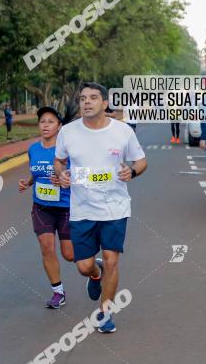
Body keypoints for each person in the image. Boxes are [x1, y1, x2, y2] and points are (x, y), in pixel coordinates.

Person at [54, 82, 147, 333]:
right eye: (83, 98)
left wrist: (133, 171)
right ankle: (96, 274)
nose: (86, 102)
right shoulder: (68, 132)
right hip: (82, 208)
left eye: (93, 98)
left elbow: (141, 160)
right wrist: (61, 174)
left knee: (112, 259)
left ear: (104, 104)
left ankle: (106, 311)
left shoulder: (123, 131)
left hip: (115, 207)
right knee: (83, 265)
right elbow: (59, 161)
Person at [18, 106, 74, 308]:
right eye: (42, 121)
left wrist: (65, 179)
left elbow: (79, 174)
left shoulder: (67, 150)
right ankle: (58, 292)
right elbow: (35, 172)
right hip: (42, 207)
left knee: (69, 254)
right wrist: (28, 182)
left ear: (59, 126)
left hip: (66, 206)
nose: (46, 125)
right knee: (47, 247)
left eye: (51, 121)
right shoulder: (34, 149)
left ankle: (94, 267)